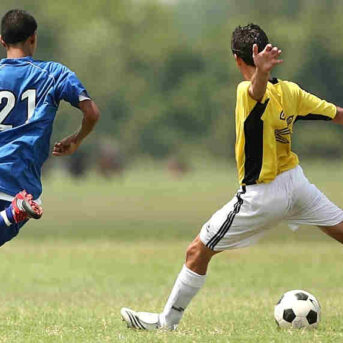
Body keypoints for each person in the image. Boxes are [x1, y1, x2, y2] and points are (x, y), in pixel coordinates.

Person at [120, 23, 343, 330]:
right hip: (297, 183)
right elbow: (338, 114)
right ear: (264, 51)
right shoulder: (291, 91)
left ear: (237, 59)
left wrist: (260, 72)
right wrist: (264, 73)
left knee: (197, 251)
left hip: (262, 195)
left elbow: (256, 91)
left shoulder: (245, 91)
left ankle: (165, 324)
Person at [0, 9, 99, 246]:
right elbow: (92, 113)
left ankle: (10, 214)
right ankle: (10, 214)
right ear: (34, 38)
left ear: (2, 40)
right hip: (21, 181)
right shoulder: (54, 74)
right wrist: (76, 139)